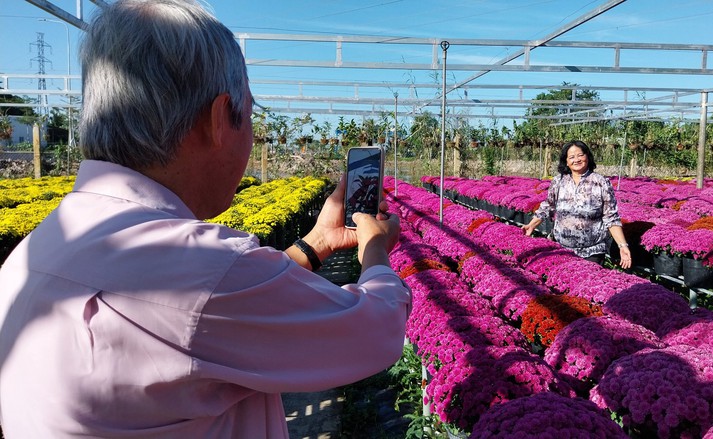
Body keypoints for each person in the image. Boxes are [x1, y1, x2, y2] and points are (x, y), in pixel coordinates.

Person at [0, 1, 410, 438]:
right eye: (249, 116)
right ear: (218, 120)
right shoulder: (203, 270)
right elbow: (376, 331)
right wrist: (375, 248)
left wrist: (315, 244)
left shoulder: (27, 258)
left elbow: (199, 312)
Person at [521, 140, 632, 269]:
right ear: (566, 161)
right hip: (561, 249)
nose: (576, 160)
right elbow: (548, 206)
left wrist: (622, 246)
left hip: (592, 251)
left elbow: (611, 217)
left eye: (580, 155)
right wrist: (531, 225)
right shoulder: (558, 181)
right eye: (571, 157)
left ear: (587, 157)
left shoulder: (601, 182)